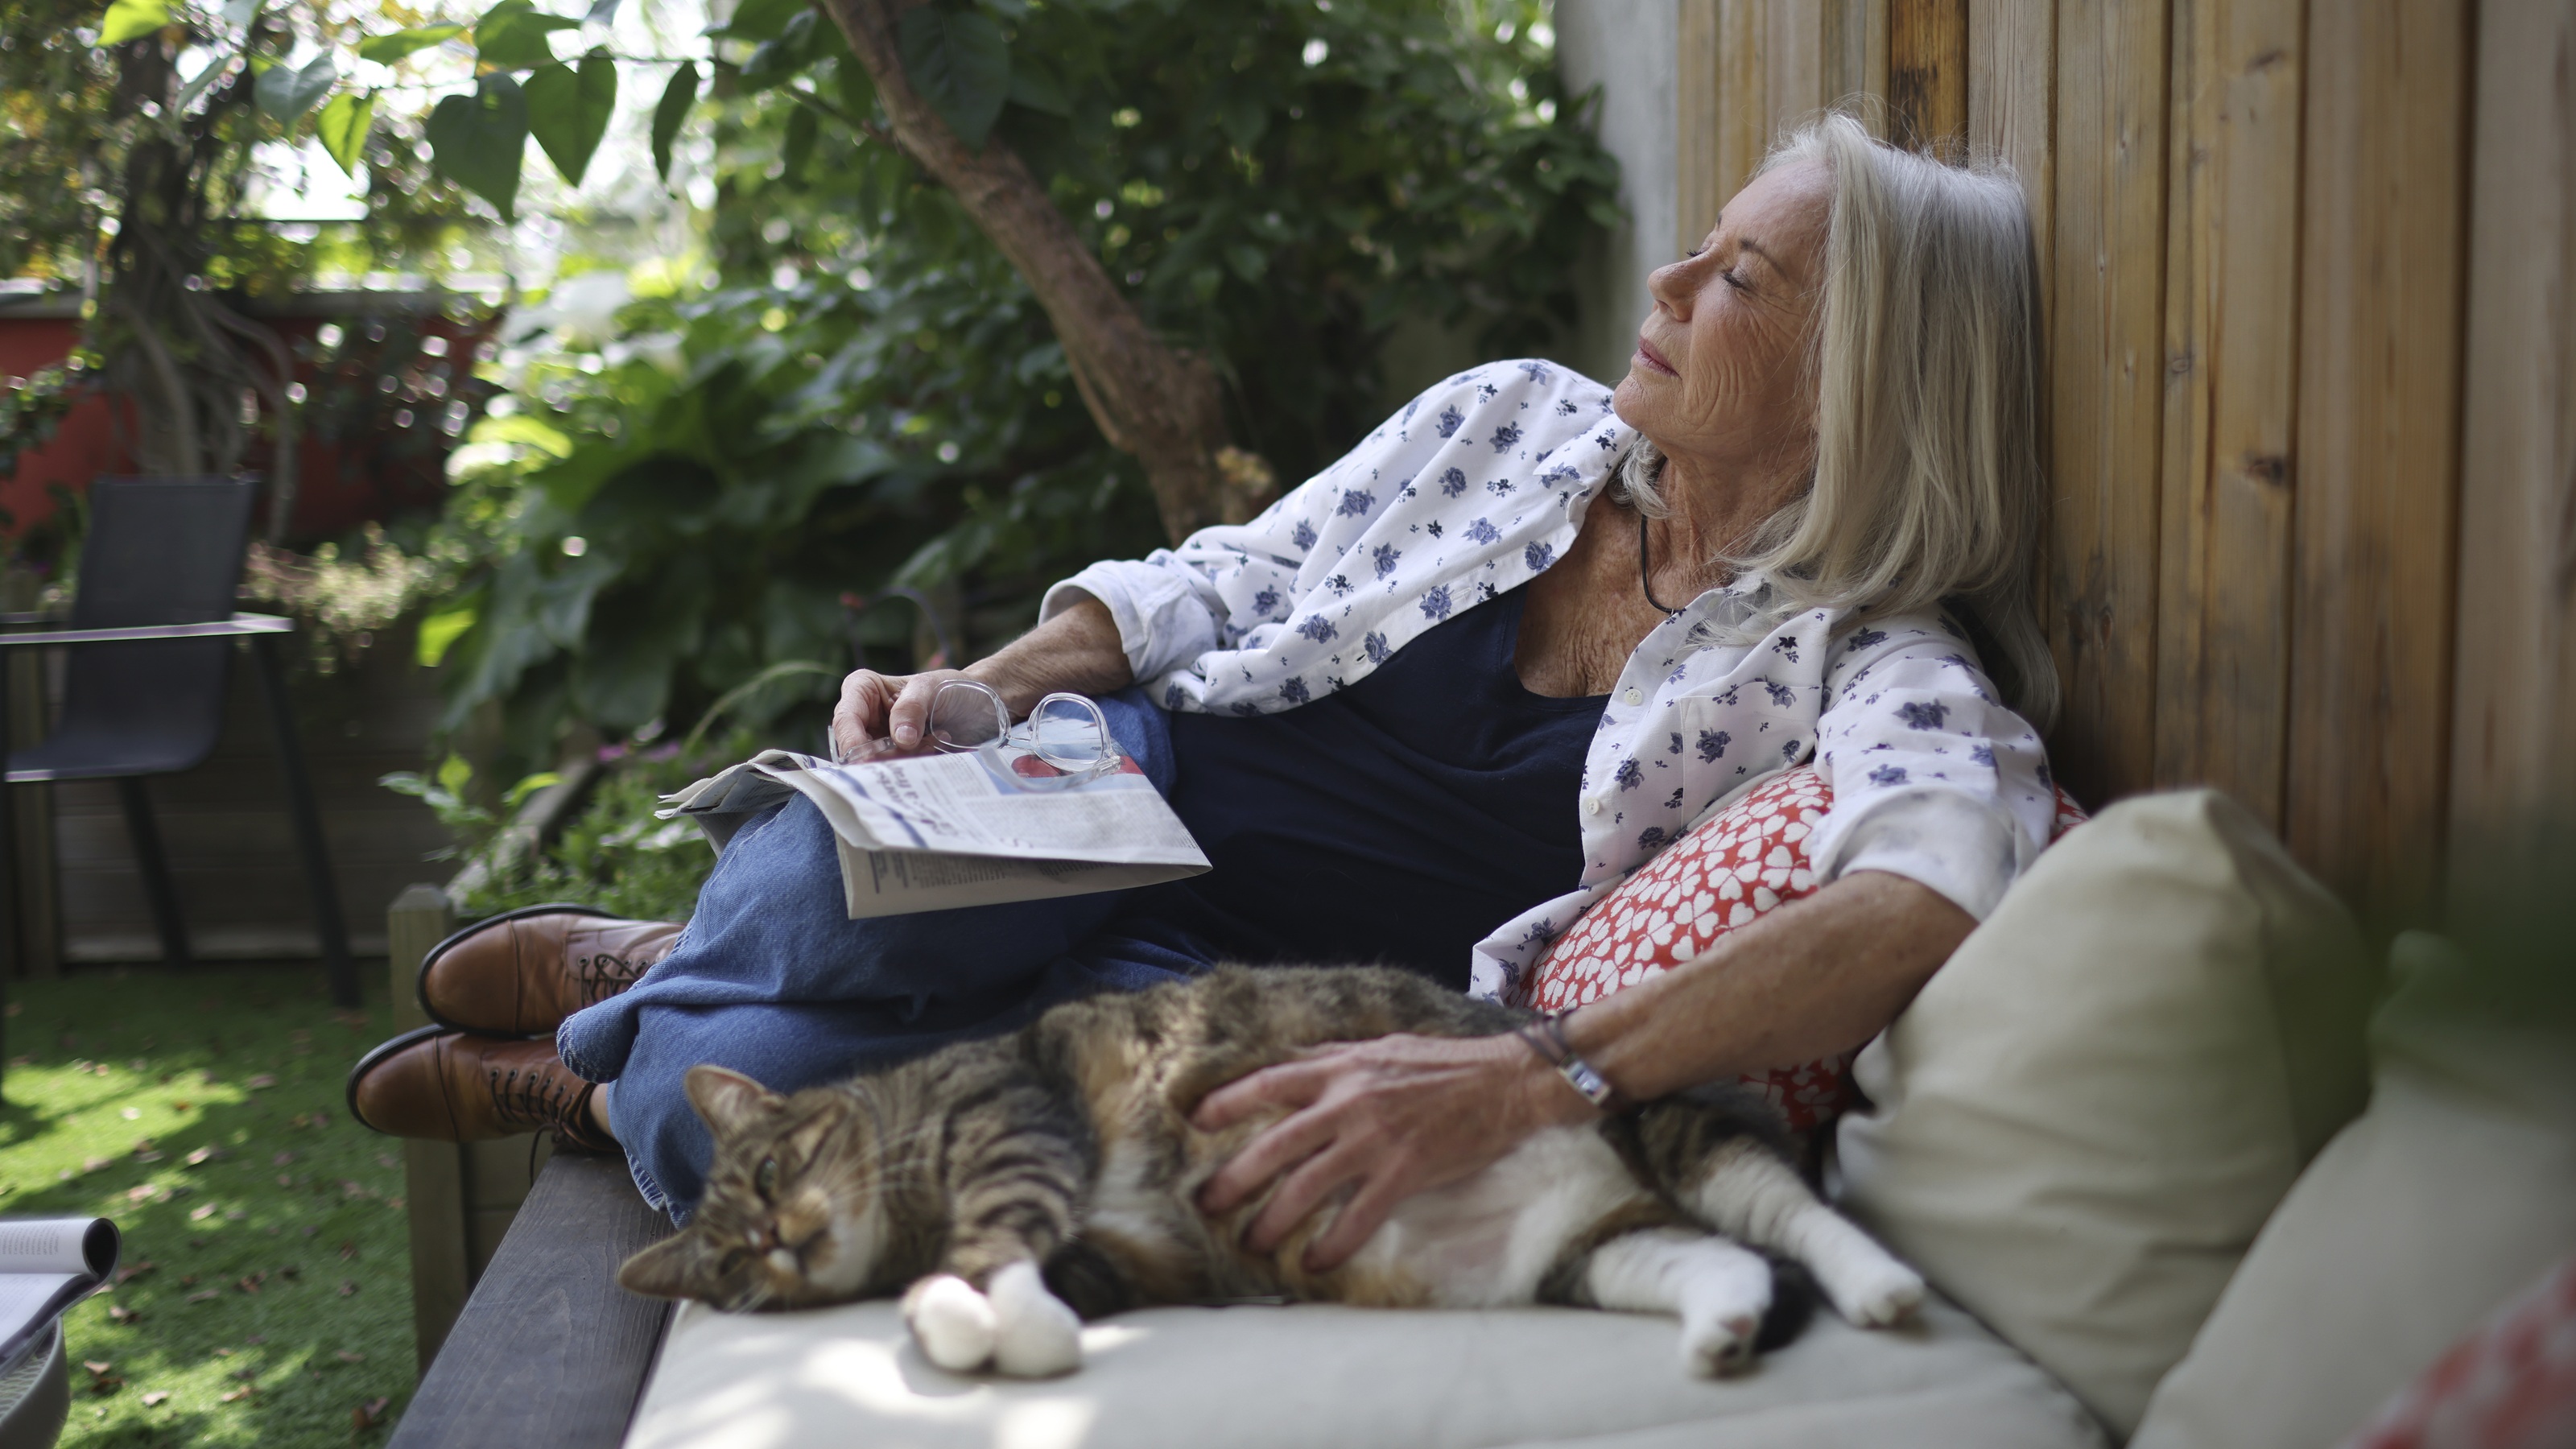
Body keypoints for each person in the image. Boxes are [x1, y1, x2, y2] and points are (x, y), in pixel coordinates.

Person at [350, 114, 2059, 1270]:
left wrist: (1551, 1078)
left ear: (1860, 388)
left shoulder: (1865, 663)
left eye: (1740, 279)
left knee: (768, 1147)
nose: (1670, 289)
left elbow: (1926, 889)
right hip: (1114, 797)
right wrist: (989, 688)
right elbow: (1227, 578)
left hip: (1195, 1011)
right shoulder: (1514, 421)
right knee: (814, 884)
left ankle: (596, 1069)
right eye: (1700, 252)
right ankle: (664, 967)